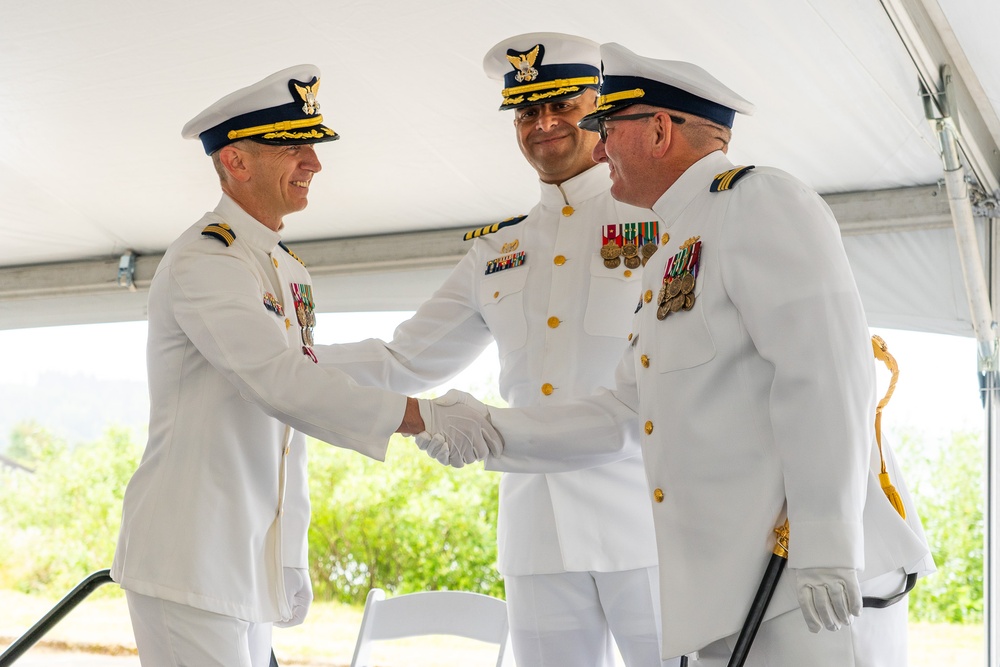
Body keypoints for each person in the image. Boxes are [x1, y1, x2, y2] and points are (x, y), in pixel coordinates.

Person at [436, 43, 934, 665]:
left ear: (661, 130)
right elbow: (625, 410)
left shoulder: (759, 201)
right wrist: (481, 429)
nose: (598, 150)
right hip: (738, 587)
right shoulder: (673, 245)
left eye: (606, 129)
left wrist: (829, 543)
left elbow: (828, 375)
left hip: (808, 581)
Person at [110, 64, 499, 667]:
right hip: (189, 558)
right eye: (294, 146)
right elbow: (279, 382)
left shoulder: (283, 265)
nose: (315, 162)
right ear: (235, 161)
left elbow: (307, 375)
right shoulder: (204, 260)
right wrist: (422, 418)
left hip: (244, 563)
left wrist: (286, 556)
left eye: (313, 146)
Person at [318, 34, 676, 667]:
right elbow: (404, 358)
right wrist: (278, 360)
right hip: (536, 530)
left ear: (601, 108)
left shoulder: (662, 224)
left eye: (562, 104)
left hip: (646, 524)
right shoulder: (496, 251)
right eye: (527, 111)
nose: (544, 124)